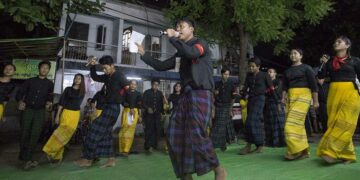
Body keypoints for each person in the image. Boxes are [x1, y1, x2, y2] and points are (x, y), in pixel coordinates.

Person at [136, 18, 226, 180]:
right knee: (173, 133)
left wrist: (171, 38)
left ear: (191, 29)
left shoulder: (200, 44)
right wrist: (144, 54)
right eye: (177, 26)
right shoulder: (180, 53)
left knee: (196, 132)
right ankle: (185, 174)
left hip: (201, 93)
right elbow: (161, 66)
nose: (178, 28)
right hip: (186, 95)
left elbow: (191, 53)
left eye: (181, 26)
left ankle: (218, 168)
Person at [75, 55, 128, 168]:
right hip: (108, 107)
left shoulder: (119, 75)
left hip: (113, 108)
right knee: (106, 134)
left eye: (106, 68)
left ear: (112, 66)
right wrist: (93, 65)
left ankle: (88, 159)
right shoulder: (107, 76)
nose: (104, 70)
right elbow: (95, 77)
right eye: (103, 68)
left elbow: (128, 89)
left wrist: (128, 105)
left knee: (94, 129)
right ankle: (111, 159)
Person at [317, 36, 360, 164]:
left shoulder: (355, 61)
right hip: (333, 94)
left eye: (339, 42)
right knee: (334, 123)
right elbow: (320, 77)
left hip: (351, 94)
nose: (336, 43)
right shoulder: (330, 62)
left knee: (345, 123)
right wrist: (322, 64)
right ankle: (348, 155)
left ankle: (332, 152)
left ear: (347, 45)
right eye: (335, 41)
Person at [282, 48, 319, 160]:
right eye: (291, 53)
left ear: (301, 56)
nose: (292, 55)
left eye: (295, 53)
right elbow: (284, 87)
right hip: (291, 97)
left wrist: (316, 101)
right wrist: (283, 98)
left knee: (290, 124)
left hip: (304, 95)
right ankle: (303, 151)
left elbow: (314, 86)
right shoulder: (287, 71)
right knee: (298, 124)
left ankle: (295, 151)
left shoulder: (306, 68)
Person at [16, 60, 54, 170]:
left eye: (47, 68)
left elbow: (50, 97)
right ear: (39, 69)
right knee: (24, 132)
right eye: (43, 67)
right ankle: (25, 157)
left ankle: (28, 158)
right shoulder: (30, 81)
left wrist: (49, 103)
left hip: (40, 111)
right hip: (28, 109)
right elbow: (20, 93)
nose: (44, 70)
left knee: (35, 134)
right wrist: (20, 101)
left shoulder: (49, 84)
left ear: (48, 70)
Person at [43, 73, 85, 163]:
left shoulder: (82, 91)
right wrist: (57, 116)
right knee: (60, 133)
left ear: (82, 81)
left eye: (79, 79)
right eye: (76, 78)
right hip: (66, 113)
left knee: (67, 135)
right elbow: (61, 103)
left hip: (76, 114)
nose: (77, 80)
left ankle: (57, 156)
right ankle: (49, 150)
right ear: (74, 79)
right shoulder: (68, 89)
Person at [238, 57, 274, 155]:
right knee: (253, 122)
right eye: (250, 66)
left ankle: (253, 145)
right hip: (251, 100)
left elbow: (271, 88)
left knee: (251, 121)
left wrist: (264, 94)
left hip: (260, 99)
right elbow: (245, 88)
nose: (251, 68)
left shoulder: (264, 75)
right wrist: (242, 94)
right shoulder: (249, 76)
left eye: (253, 66)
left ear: (258, 66)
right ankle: (256, 146)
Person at [211, 68, 235, 151]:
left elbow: (233, 98)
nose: (226, 76)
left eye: (228, 74)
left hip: (226, 106)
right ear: (221, 74)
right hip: (217, 105)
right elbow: (213, 97)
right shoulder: (217, 84)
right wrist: (213, 109)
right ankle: (222, 144)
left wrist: (230, 109)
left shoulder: (232, 84)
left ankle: (215, 144)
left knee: (221, 125)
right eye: (225, 74)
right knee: (219, 125)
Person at [118, 80, 142, 156]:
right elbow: (122, 102)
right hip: (126, 111)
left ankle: (126, 150)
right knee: (123, 129)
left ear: (136, 86)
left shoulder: (139, 94)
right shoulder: (125, 92)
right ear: (129, 85)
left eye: (135, 84)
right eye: (132, 84)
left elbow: (139, 105)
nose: (133, 85)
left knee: (130, 131)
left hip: (134, 112)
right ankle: (121, 149)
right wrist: (130, 107)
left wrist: (139, 115)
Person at [263, 68, 286, 147]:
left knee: (279, 122)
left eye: (271, 72)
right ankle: (271, 142)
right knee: (270, 122)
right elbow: (264, 93)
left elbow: (277, 92)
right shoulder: (265, 83)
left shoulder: (278, 81)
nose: (269, 73)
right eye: (268, 72)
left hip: (277, 103)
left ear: (275, 73)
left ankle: (280, 142)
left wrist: (269, 91)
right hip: (268, 104)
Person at [142, 79, 165, 152]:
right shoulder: (147, 92)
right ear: (151, 85)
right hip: (148, 115)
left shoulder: (160, 93)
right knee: (149, 130)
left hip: (157, 115)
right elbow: (143, 103)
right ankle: (148, 146)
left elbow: (161, 104)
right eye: (154, 84)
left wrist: (162, 113)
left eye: (157, 85)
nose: (156, 86)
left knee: (156, 129)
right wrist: (147, 108)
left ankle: (154, 145)